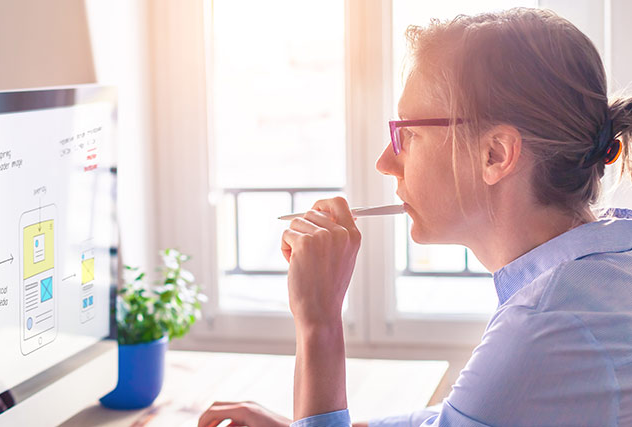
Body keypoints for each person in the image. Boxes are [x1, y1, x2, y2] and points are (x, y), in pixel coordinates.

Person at [198, 7, 632, 427]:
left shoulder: (543, 325)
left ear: (495, 154)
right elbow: (456, 417)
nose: (385, 162)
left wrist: (319, 322)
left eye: (408, 133)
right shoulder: (603, 270)